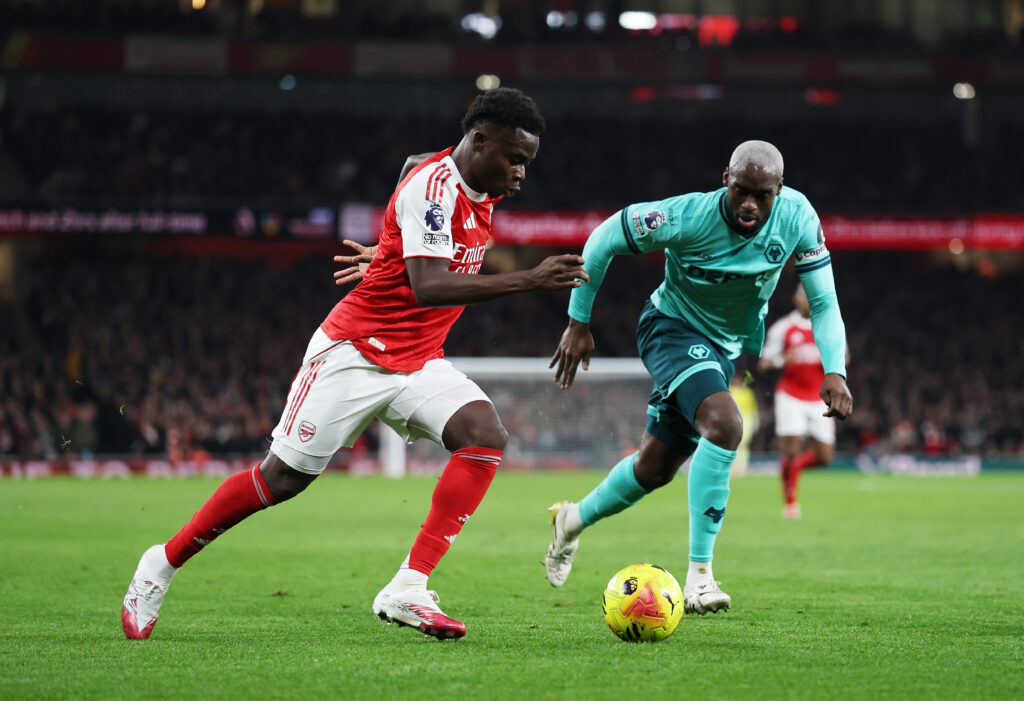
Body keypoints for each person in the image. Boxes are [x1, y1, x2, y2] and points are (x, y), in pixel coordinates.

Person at [122, 87, 589, 641]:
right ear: (478, 141)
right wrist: (530, 279)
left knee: (484, 434)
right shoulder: (434, 190)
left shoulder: (470, 180)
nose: (520, 176)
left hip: (417, 360)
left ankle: (408, 588)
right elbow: (429, 285)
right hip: (355, 352)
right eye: (514, 159)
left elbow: (411, 166)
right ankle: (160, 564)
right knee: (282, 479)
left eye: (527, 164)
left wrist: (392, 243)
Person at [544, 140, 852, 615]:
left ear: (780, 190)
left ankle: (571, 519)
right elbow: (604, 238)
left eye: (762, 195)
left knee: (654, 469)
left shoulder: (799, 217)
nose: (750, 204)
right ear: (724, 179)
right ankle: (700, 578)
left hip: (723, 348)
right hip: (670, 327)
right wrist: (578, 322)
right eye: (741, 191)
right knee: (726, 425)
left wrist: (836, 370)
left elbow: (825, 302)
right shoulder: (684, 217)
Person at [758, 283, 848, 519]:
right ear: (795, 298)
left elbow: (845, 356)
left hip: (818, 398)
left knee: (825, 456)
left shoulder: (828, 326)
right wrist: (780, 360)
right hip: (790, 396)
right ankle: (790, 503)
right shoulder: (783, 328)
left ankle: (795, 469)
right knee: (791, 450)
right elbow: (764, 363)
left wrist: (833, 360)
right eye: (802, 294)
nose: (806, 298)